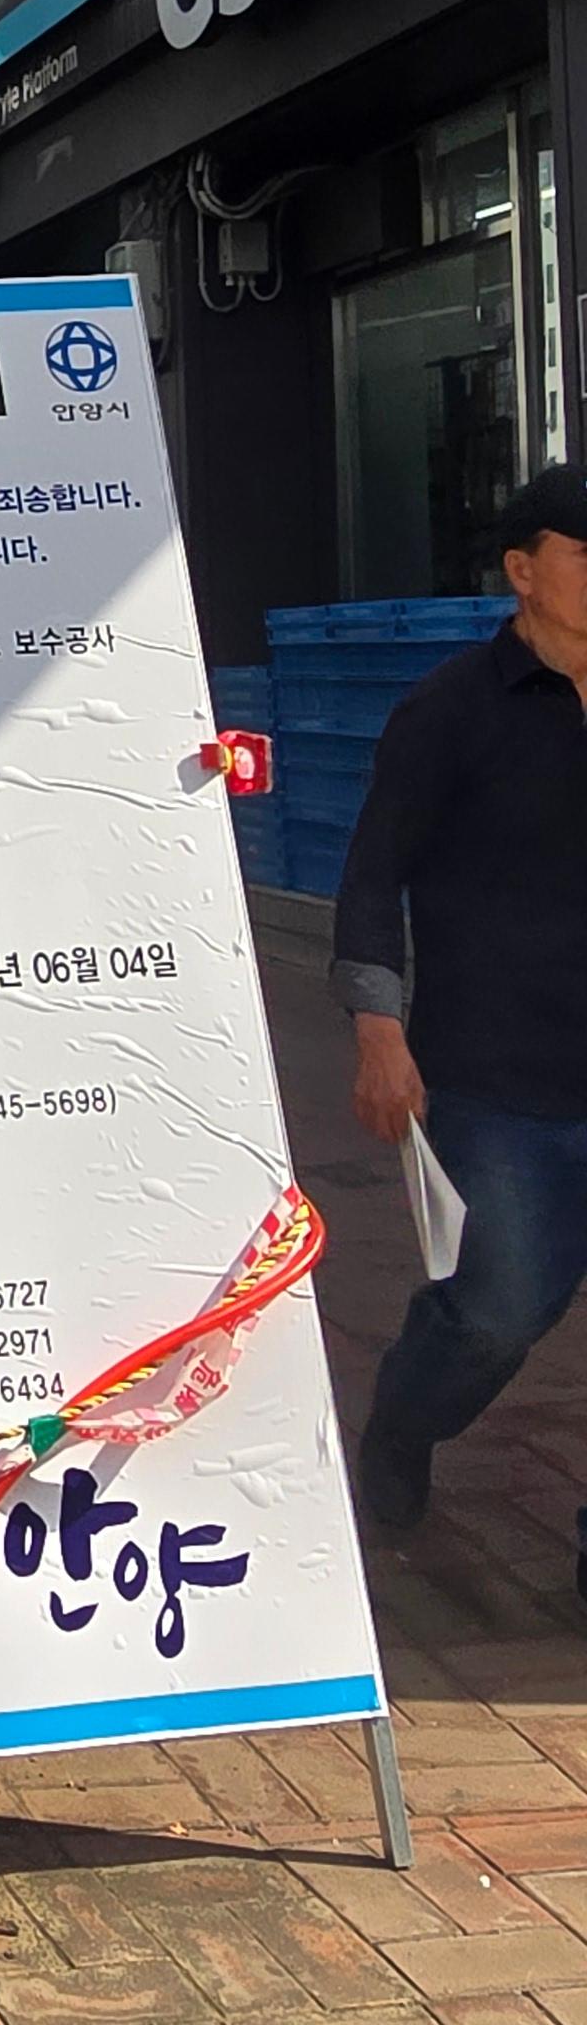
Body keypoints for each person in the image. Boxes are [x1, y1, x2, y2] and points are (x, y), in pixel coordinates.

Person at [335, 463, 587, 1544]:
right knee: (498, 1310)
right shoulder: (448, 711)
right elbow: (370, 874)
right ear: (523, 572)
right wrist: (378, 1029)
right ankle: (403, 1421)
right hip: (496, 1079)